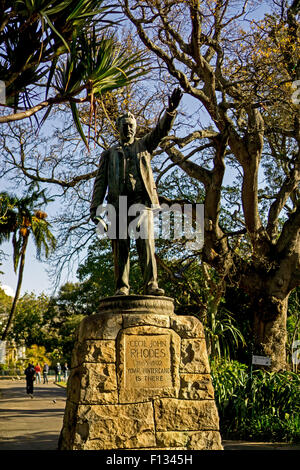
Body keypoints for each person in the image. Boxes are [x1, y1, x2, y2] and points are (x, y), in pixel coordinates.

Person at [90, 87, 183, 296]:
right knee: (121, 247)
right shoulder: (109, 154)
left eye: (131, 126)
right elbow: (100, 182)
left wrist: (170, 112)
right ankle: (122, 287)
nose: (128, 129)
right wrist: (95, 210)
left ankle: (151, 284)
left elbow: (161, 131)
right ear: (118, 128)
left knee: (146, 242)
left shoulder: (144, 145)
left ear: (135, 128)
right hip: (118, 203)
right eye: (125, 126)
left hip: (142, 201)